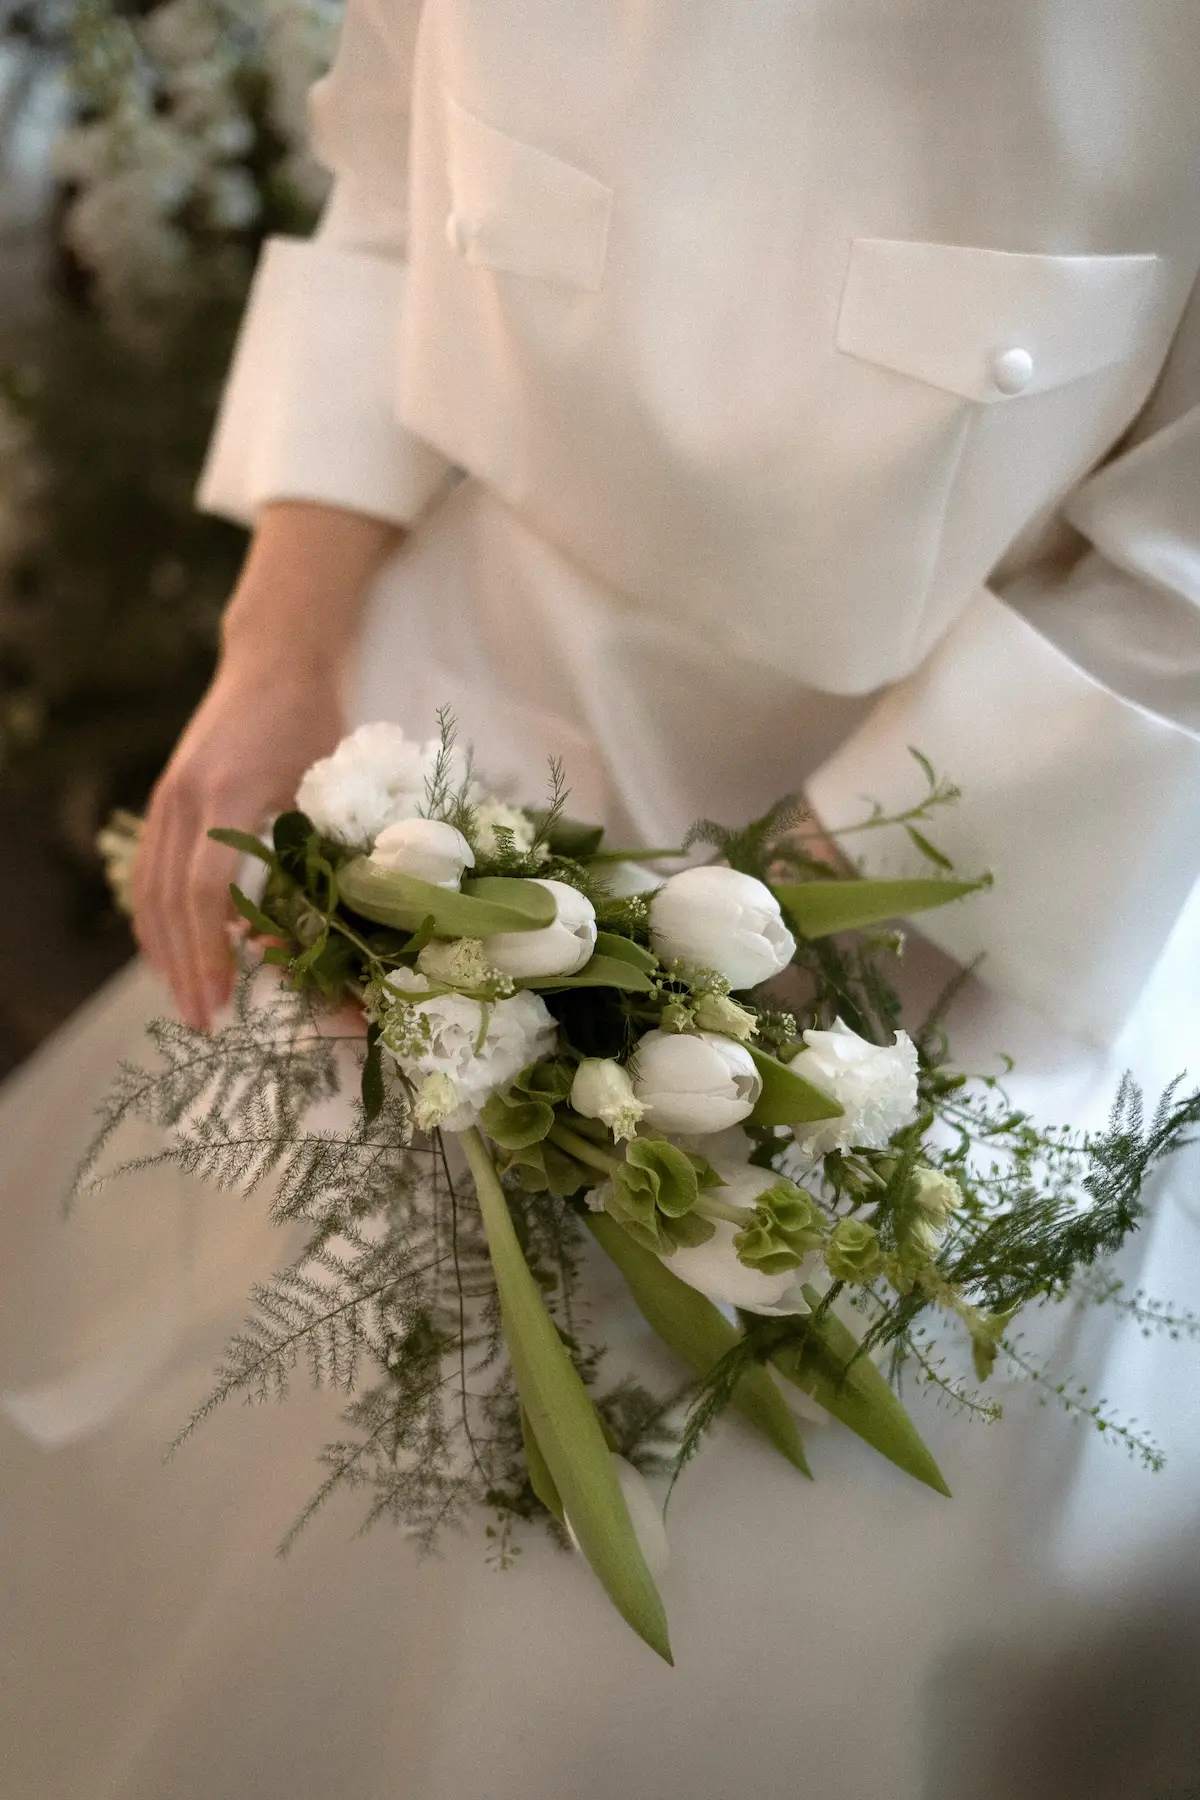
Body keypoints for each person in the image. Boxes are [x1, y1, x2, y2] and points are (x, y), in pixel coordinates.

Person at [2, 4, 1199, 1795]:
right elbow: (396, 180)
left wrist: (706, 982)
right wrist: (278, 647)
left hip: (956, 870)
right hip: (438, 752)